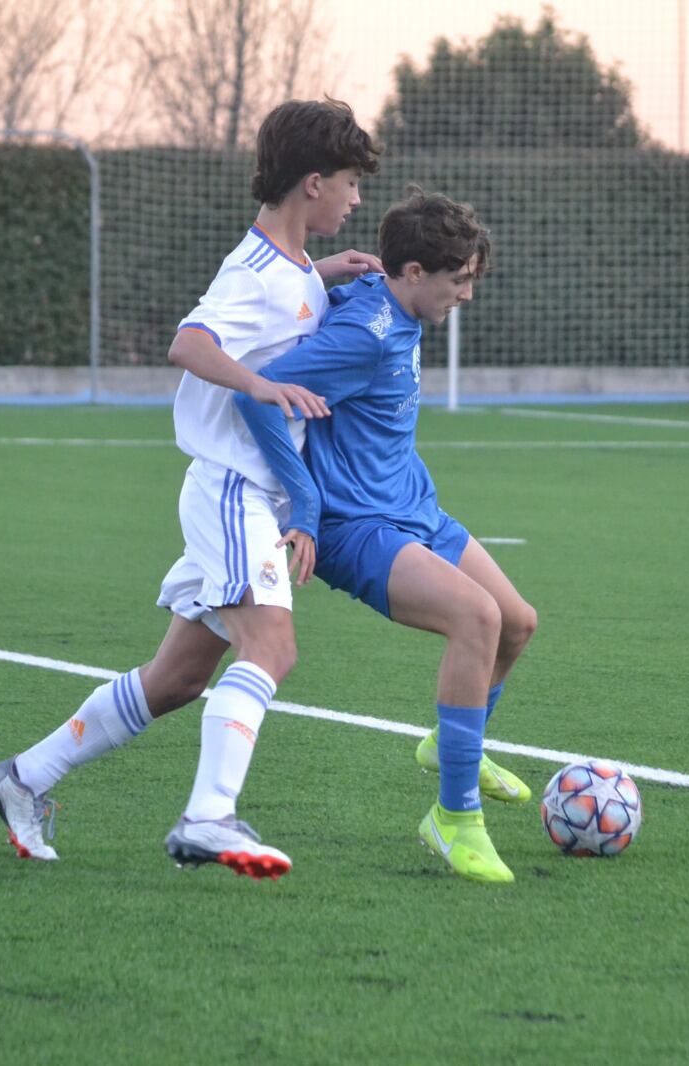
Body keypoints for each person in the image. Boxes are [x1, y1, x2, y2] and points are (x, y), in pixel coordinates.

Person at [0, 98, 383, 878]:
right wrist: (259, 388)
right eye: (350, 184)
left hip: (242, 494)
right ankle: (208, 818)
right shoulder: (257, 270)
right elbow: (189, 342)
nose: (356, 199)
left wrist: (326, 274)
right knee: (273, 646)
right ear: (311, 183)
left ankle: (22, 777)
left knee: (177, 680)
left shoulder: (291, 268)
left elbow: (281, 310)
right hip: (235, 489)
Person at [235, 188, 537, 885]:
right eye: (455, 280)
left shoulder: (395, 300)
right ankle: (454, 818)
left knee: (517, 624)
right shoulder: (365, 335)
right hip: (355, 526)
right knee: (476, 618)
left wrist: (328, 269)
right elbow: (257, 394)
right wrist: (303, 502)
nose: (464, 293)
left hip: (414, 506)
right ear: (410, 274)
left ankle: (451, 744)